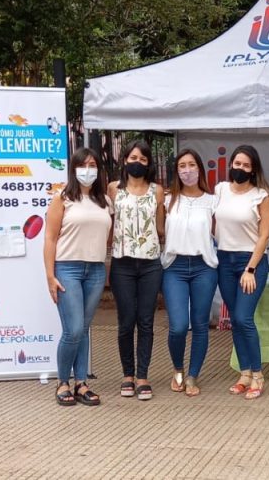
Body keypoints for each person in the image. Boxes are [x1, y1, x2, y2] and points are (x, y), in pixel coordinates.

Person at [43, 147, 111, 407]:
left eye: (93, 164)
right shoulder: (62, 198)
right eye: (83, 165)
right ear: (73, 169)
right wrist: (50, 275)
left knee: (84, 329)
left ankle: (81, 383)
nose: (88, 169)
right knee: (72, 330)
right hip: (68, 269)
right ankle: (62, 382)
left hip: (94, 270)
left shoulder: (104, 200)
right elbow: (50, 238)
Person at [214, 144, 269, 400]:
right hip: (224, 261)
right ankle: (244, 373)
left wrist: (250, 268)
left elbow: (264, 235)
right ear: (231, 165)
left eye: (246, 165)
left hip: (251, 262)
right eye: (237, 164)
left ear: (253, 170)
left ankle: (258, 375)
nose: (240, 168)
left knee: (243, 318)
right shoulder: (219, 190)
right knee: (235, 323)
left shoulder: (263, 195)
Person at [108, 139, 165, 401]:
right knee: (125, 321)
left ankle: (143, 376)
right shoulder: (113, 189)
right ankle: (127, 375)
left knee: (146, 321)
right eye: (133, 158)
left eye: (143, 159)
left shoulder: (158, 191)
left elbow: (160, 228)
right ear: (124, 160)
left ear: (149, 163)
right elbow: (108, 226)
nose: (137, 163)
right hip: (122, 263)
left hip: (150, 263)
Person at [161, 148, 218, 397]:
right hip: (174, 267)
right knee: (178, 326)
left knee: (200, 325)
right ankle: (178, 369)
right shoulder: (166, 200)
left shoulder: (213, 201)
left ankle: (193, 375)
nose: (187, 170)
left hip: (203, 267)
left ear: (200, 169)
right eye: (182, 166)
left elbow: (220, 233)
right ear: (177, 172)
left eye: (192, 165)